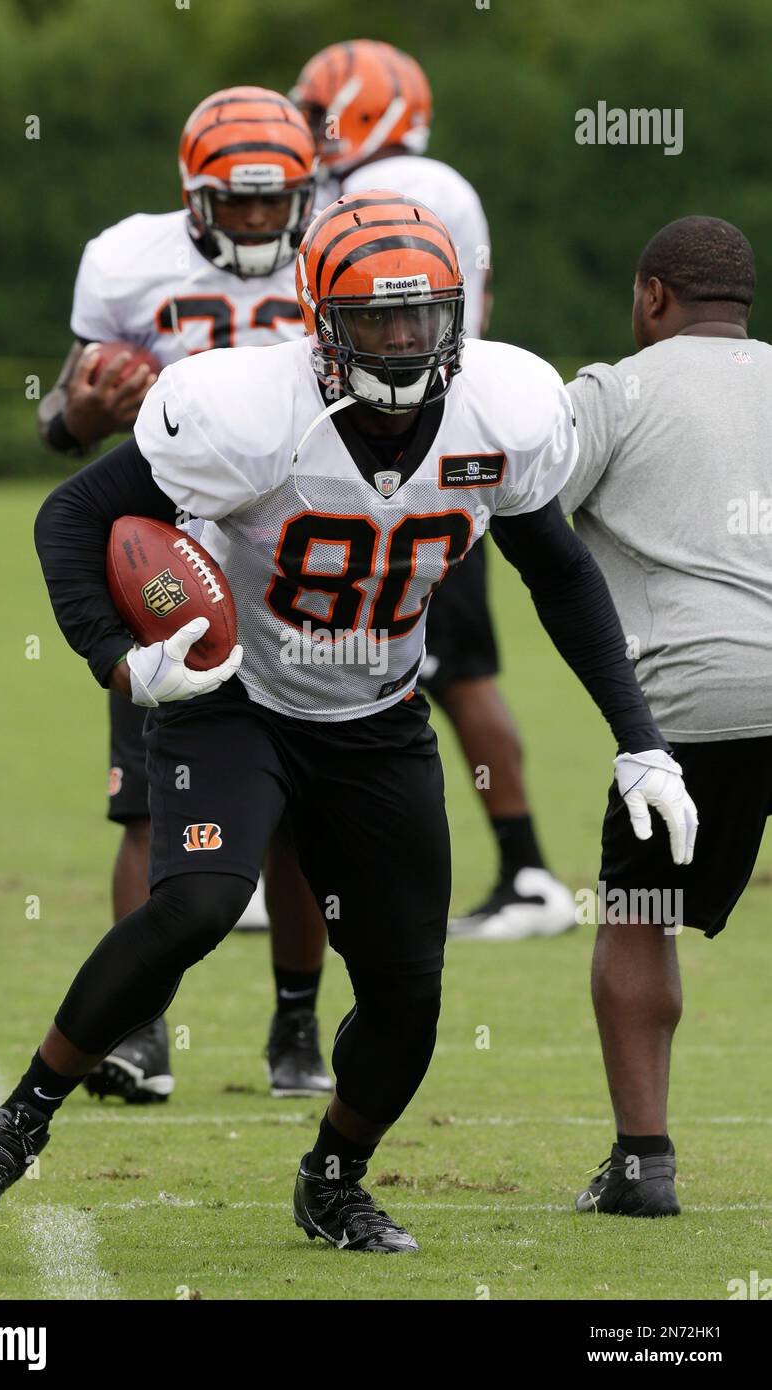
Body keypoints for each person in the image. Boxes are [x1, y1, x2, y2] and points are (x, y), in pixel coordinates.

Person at [0, 192, 695, 1253]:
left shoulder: (505, 409)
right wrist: (118, 657)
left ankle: (331, 1176)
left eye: (421, 316)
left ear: (456, 314)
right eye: (376, 320)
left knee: (408, 993)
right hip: (234, 696)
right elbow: (75, 515)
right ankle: (17, 1122)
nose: (401, 339)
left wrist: (640, 735)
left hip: (379, 714)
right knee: (198, 903)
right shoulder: (247, 409)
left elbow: (560, 578)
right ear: (318, 322)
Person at [37, 86, 332, 1101]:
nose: (257, 219)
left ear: (304, 190)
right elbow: (63, 428)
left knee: (300, 817)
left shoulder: (341, 249)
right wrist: (76, 408)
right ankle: (139, 1028)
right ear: (194, 195)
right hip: (161, 562)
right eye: (235, 201)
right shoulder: (126, 259)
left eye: (274, 200)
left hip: (305, 558)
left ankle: (296, 1027)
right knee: (146, 811)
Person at [290, 38, 574, 941]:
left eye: (317, 111)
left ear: (361, 106)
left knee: (450, 673)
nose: (309, 132)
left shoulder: (408, 183)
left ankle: (527, 871)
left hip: (416, 451)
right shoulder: (416, 179)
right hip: (412, 440)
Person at [559, 215, 764, 1217]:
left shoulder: (613, 389)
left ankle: (643, 1163)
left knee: (640, 914)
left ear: (651, 295)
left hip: (694, 696)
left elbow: (516, 494)